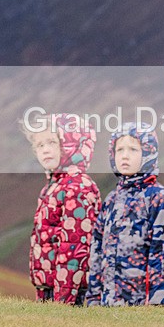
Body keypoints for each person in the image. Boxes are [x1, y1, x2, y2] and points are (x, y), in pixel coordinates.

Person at [86, 123, 164, 307]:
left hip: (141, 308)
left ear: (148, 153)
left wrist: (158, 307)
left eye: (133, 149)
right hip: (106, 307)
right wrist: (93, 301)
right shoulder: (111, 200)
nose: (125, 155)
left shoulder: (160, 199)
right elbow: (97, 252)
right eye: (119, 149)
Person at [23, 113, 100, 305]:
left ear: (71, 144)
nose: (45, 150)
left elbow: (75, 248)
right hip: (51, 288)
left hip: (73, 295)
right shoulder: (52, 187)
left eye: (52, 142)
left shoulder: (77, 187)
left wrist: (63, 300)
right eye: (40, 145)